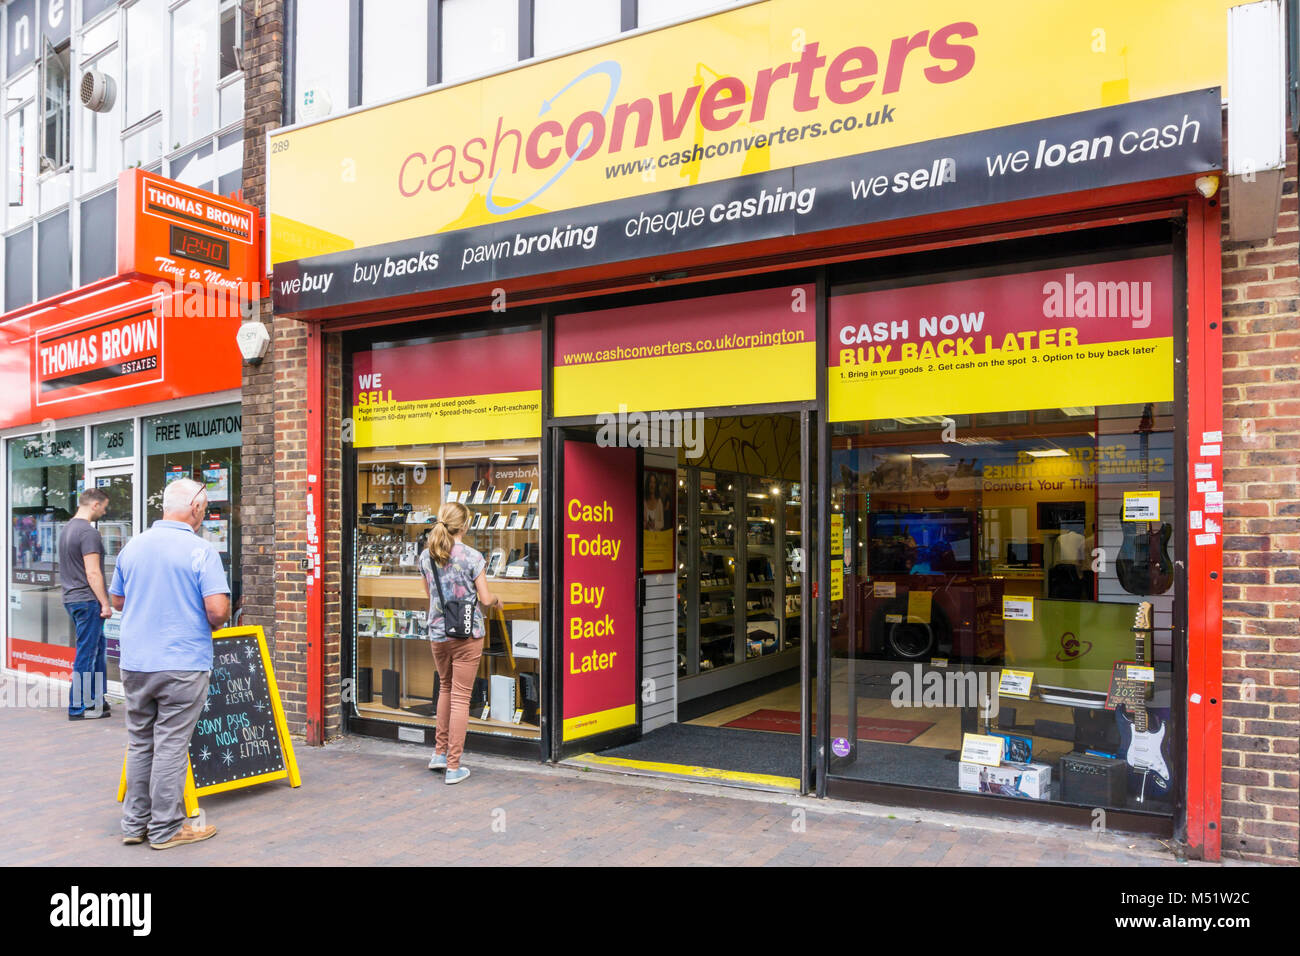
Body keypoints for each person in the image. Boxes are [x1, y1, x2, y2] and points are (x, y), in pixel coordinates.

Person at [110, 477, 230, 849]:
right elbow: (217, 610)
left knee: (141, 741)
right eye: (206, 507)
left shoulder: (132, 547)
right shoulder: (200, 551)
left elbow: (117, 601)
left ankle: (134, 824)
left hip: (136, 663)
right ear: (195, 509)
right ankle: (166, 828)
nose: (206, 513)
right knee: (171, 744)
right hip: (182, 661)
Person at [419, 500, 501, 784]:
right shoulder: (473, 557)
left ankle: (439, 754)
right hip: (466, 634)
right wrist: (498, 601)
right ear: (464, 526)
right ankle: (454, 766)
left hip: (438, 634)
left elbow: (429, 595)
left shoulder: (425, 557)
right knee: (461, 698)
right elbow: (486, 599)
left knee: (445, 687)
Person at [59, 488, 113, 720]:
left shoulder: (67, 529)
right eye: (104, 506)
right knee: (87, 654)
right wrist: (105, 603)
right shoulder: (88, 533)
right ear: (94, 505)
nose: (104, 510)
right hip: (88, 601)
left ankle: (96, 700)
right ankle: (78, 706)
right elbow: (93, 573)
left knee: (97, 650)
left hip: (72, 598)